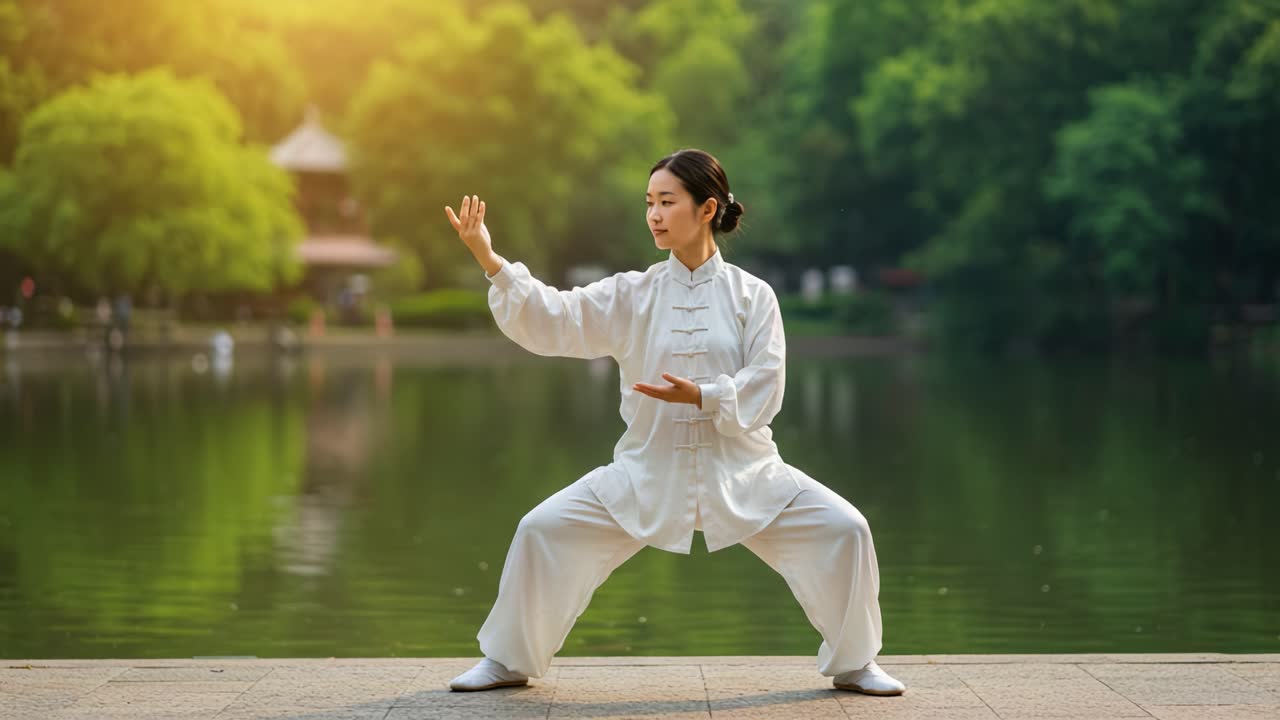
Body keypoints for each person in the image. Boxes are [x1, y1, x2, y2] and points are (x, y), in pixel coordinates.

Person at [443, 149, 906, 697]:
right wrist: (489, 258)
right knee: (541, 530)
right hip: (646, 471)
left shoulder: (753, 296)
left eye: (667, 202)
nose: (654, 215)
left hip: (745, 472)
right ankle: (507, 660)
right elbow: (557, 317)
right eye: (649, 203)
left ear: (707, 208)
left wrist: (705, 396)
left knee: (846, 530)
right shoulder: (632, 294)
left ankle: (855, 663)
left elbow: (767, 384)